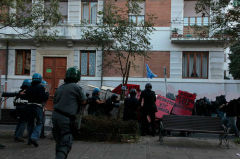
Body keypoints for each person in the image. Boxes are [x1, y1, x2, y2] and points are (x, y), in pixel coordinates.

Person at [52, 67, 87, 159]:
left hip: (55, 116)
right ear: (77, 77)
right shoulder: (76, 87)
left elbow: (54, 101)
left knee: (59, 141)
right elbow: (83, 101)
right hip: (66, 118)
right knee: (66, 141)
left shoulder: (60, 87)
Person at [23, 73, 49, 147]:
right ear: (40, 79)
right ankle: (34, 137)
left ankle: (29, 140)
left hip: (29, 107)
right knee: (39, 123)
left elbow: (25, 96)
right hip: (37, 107)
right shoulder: (41, 87)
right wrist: (46, 94)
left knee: (30, 123)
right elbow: (44, 98)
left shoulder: (29, 87)